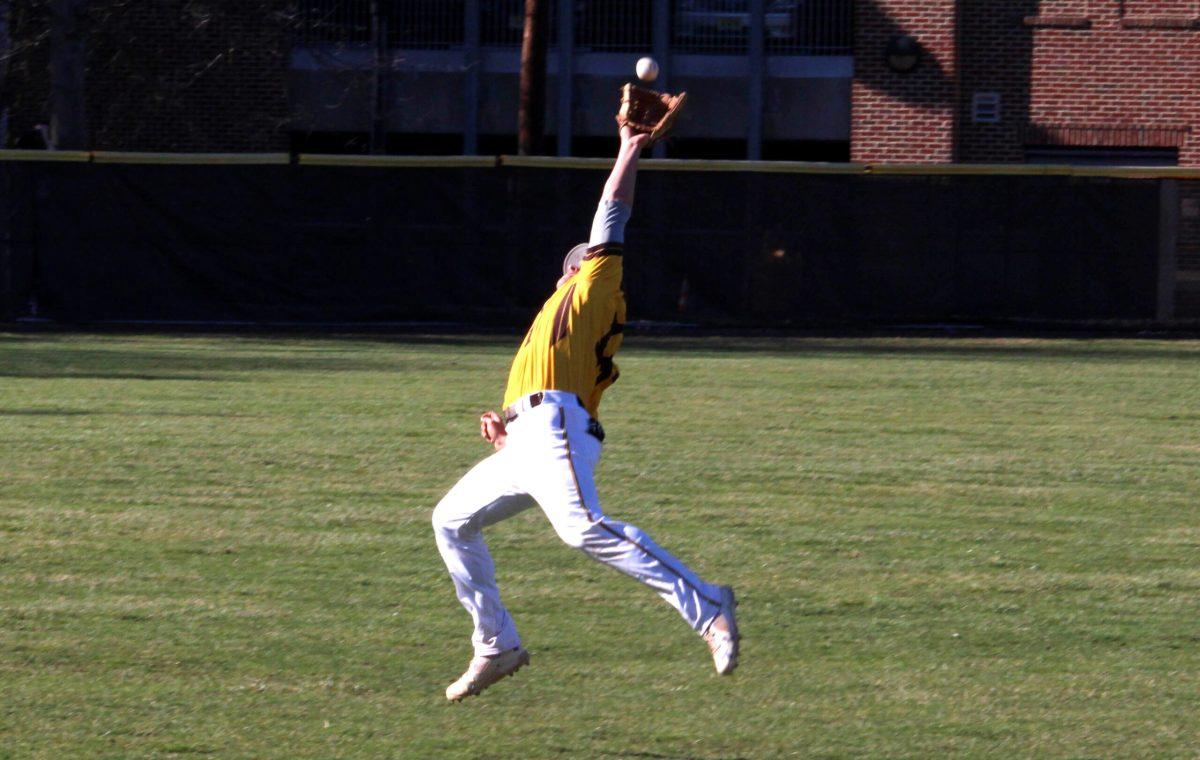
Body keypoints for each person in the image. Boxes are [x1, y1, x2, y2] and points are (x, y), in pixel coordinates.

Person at [432, 124, 739, 702]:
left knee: (580, 528)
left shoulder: (595, 288)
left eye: (580, 260)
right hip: (532, 436)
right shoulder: (552, 319)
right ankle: (496, 644)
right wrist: (506, 431)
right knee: (451, 521)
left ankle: (708, 606)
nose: (573, 264)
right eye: (575, 260)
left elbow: (612, 215)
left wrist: (629, 147)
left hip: (558, 427)